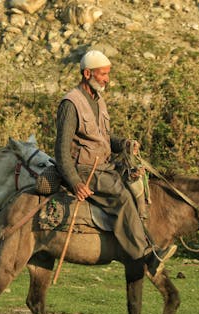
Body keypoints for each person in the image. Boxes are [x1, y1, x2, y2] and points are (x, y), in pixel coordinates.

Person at [54, 50, 176, 276]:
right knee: (121, 196)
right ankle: (144, 255)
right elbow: (61, 150)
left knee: (139, 184)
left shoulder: (98, 100)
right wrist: (74, 182)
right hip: (85, 170)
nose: (107, 79)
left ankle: (140, 241)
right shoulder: (71, 104)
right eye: (103, 74)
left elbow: (103, 138)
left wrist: (125, 144)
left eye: (108, 74)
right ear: (87, 73)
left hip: (104, 165)